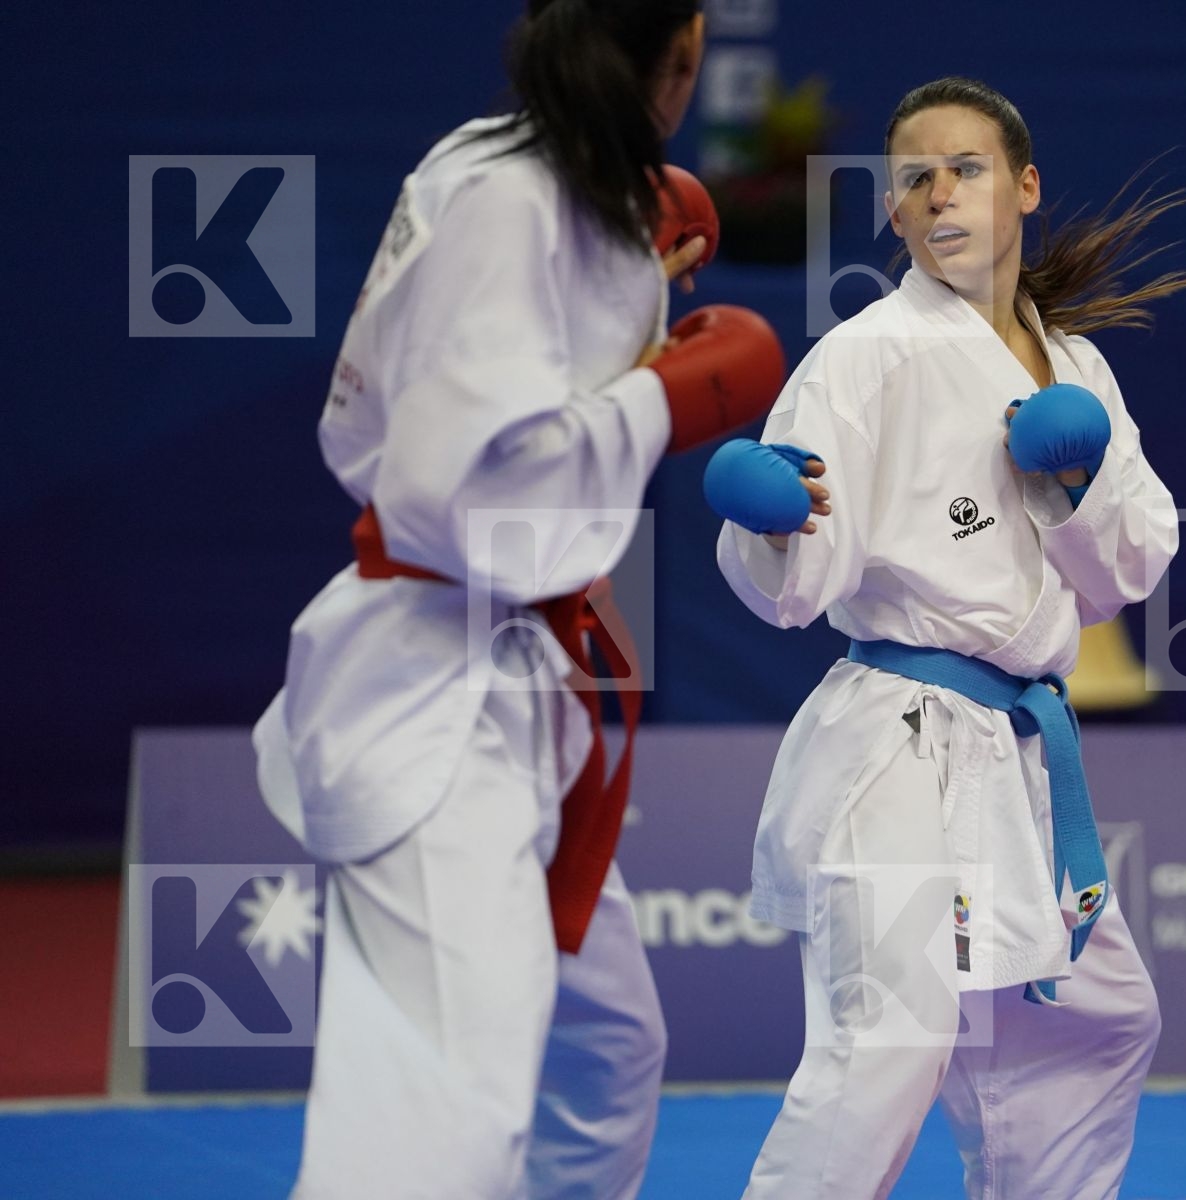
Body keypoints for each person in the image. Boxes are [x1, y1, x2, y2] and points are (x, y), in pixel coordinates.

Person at [250, 3, 786, 1197]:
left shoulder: (507, 165)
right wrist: (667, 397)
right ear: (683, 58)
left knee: (608, 1050)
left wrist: (630, 301)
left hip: (511, 687)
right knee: (443, 1123)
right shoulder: (514, 199)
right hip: (432, 698)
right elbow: (450, 490)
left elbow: (462, 393)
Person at [706, 76, 1186, 1200]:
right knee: (889, 1043)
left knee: (1092, 1024)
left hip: (1014, 749)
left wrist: (1074, 486)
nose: (938, 194)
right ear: (893, 213)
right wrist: (774, 522)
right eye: (913, 179)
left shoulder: (1077, 368)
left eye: (964, 169)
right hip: (896, 739)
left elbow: (1129, 570)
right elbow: (793, 589)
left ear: (1023, 186)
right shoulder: (865, 356)